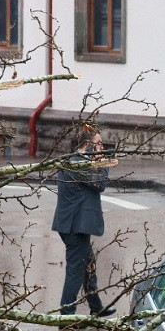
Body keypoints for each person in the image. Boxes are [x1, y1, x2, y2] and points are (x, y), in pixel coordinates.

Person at [52, 129, 116, 319]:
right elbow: (100, 183)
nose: (101, 147)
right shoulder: (81, 165)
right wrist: (105, 163)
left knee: (88, 266)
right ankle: (67, 315)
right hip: (75, 227)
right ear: (88, 145)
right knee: (76, 271)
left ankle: (96, 307)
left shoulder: (71, 160)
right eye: (98, 144)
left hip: (71, 224)